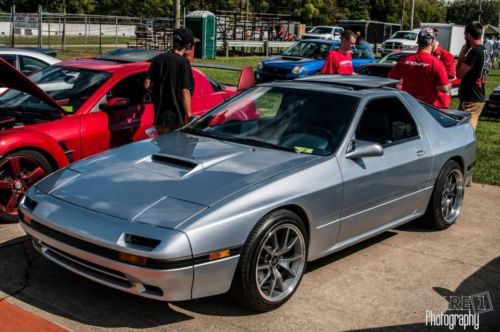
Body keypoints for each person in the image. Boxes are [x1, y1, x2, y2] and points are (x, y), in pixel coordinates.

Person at [144, 27, 196, 134]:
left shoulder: (157, 59)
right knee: (174, 150)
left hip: (160, 117)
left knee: (162, 147)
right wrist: (189, 115)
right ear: (188, 45)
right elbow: (185, 91)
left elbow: (146, 84)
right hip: (176, 119)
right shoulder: (183, 62)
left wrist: (159, 94)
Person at [389, 28, 451, 108]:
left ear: (418, 42)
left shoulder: (404, 60)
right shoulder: (437, 63)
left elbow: (391, 79)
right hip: (429, 108)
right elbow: (445, 88)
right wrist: (449, 86)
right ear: (432, 42)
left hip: (409, 106)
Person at [456, 21, 490, 130]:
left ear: (469, 35)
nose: (464, 36)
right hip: (476, 96)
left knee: (465, 132)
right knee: (460, 130)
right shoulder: (484, 50)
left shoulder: (475, 52)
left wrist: (461, 56)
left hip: (472, 99)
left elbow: (459, 73)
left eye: (465, 33)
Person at [431, 39, 456, 108]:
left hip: (440, 97)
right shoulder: (428, 53)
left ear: (432, 44)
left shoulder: (446, 55)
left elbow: (451, 75)